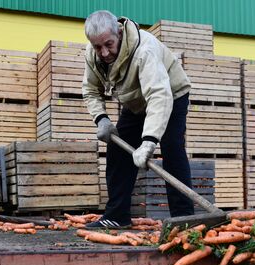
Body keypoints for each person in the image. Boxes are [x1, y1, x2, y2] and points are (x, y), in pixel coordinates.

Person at [82, 10, 194, 228]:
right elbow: (90, 90)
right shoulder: (93, 54)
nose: (104, 53)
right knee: (118, 150)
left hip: (170, 93)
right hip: (135, 101)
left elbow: (158, 95)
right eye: (98, 47)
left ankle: (184, 219)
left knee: (172, 148)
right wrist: (101, 119)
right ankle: (117, 215)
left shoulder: (145, 50)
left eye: (108, 44)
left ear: (120, 33)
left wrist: (149, 141)